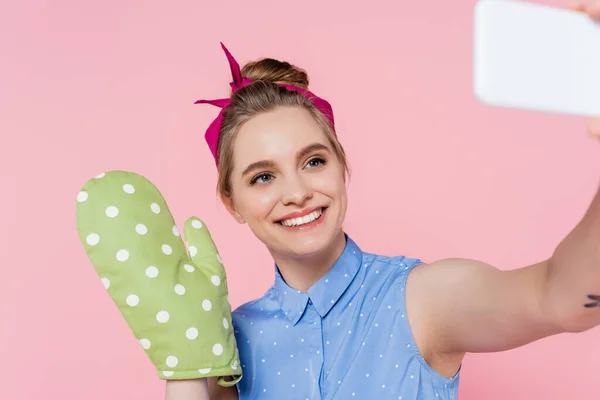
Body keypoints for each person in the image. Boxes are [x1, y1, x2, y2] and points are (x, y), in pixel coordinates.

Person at [164, 2, 600, 399]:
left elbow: (560, 299)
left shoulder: (421, 300)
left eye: (313, 162)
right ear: (232, 202)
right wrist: (183, 362)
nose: (297, 193)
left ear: (341, 166)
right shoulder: (229, 346)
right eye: (263, 176)